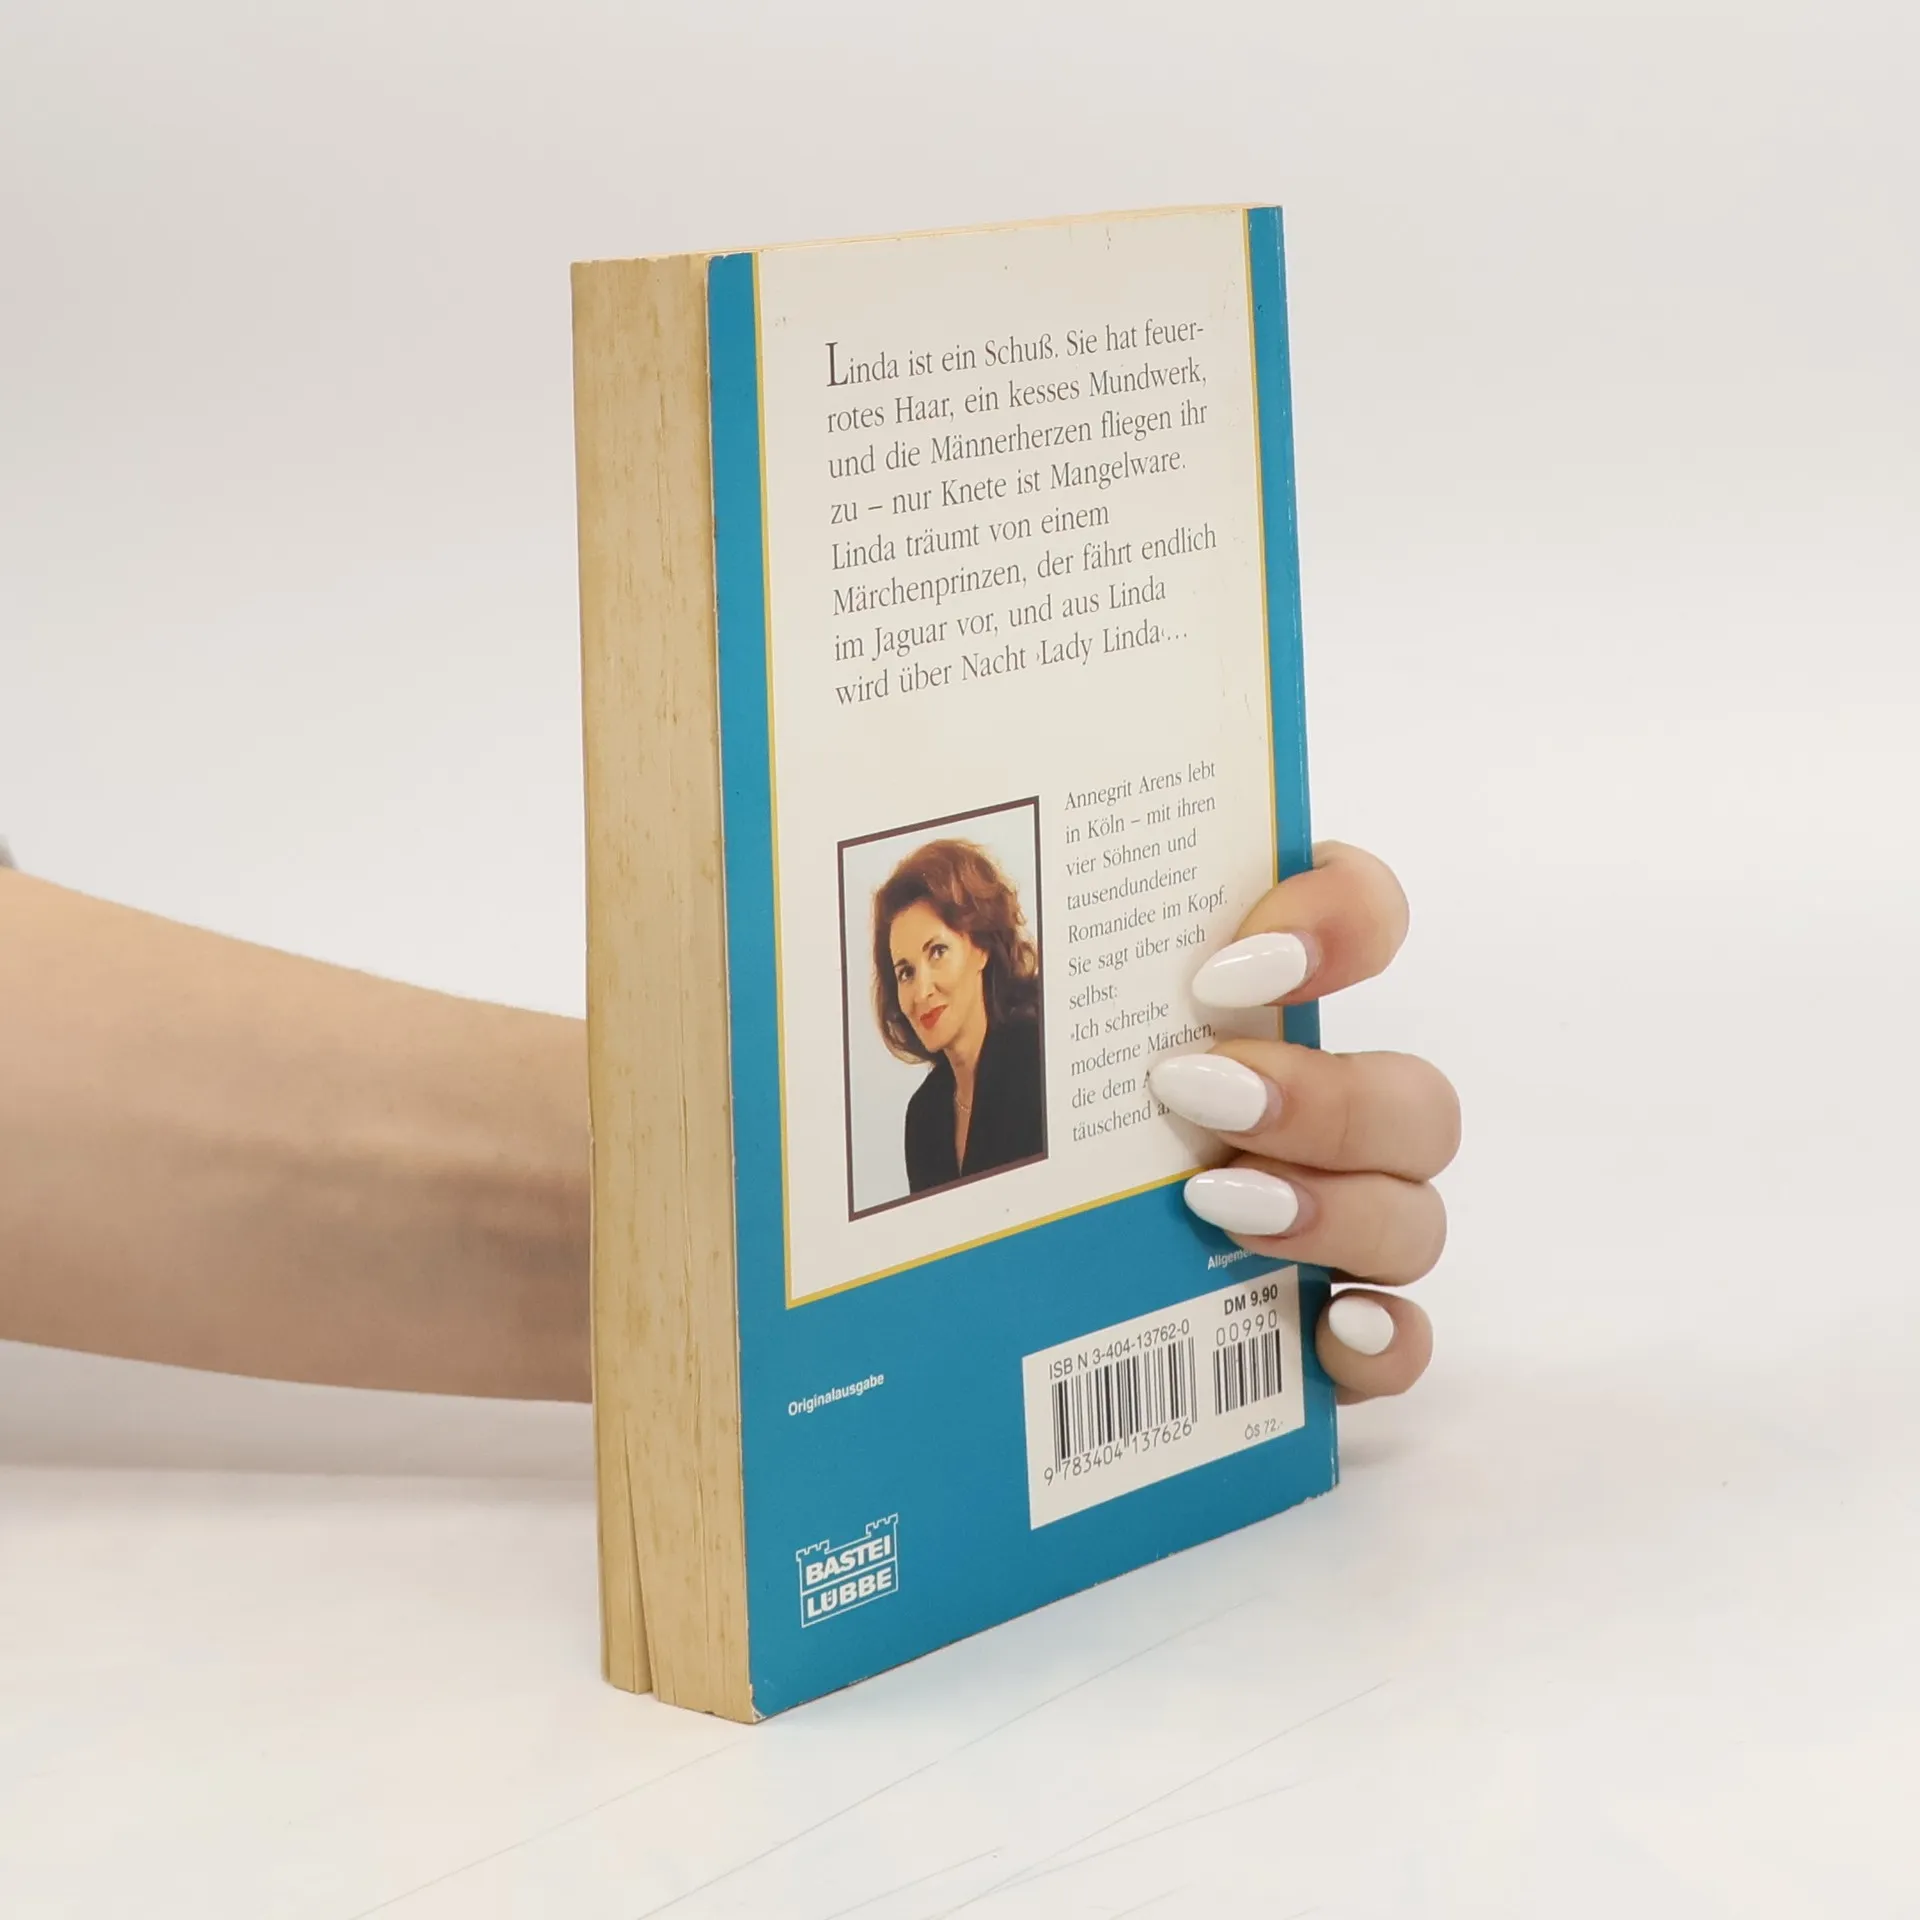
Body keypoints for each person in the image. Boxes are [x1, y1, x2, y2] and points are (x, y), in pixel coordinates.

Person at [0, 840, 1455, 1405]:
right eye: (899, 967)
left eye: (935, 953)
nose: (917, 987)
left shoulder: (992, 1092)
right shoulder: (913, 1127)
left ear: (989, 947)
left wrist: (1135, 1263)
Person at [871, 838, 1046, 1197]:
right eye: (906, 972)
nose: (921, 992)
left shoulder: (1039, 1062)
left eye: (937, 952)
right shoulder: (923, 1116)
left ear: (981, 948)